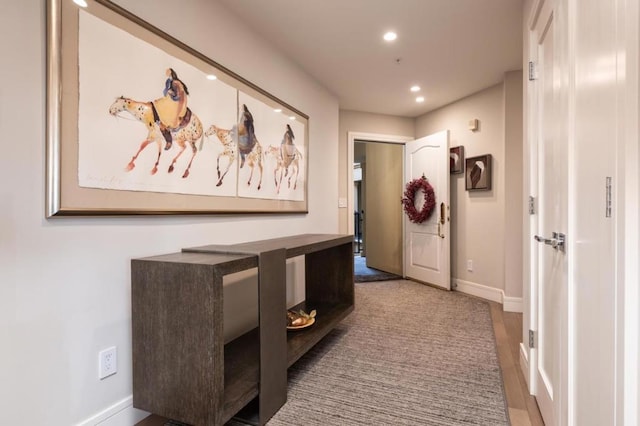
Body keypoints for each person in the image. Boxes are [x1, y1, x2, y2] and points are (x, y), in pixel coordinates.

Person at [153, 68, 189, 149]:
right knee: (156, 104)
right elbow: (165, 92)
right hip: (169, 99)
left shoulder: (176, 83)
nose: (167, 74)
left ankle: (168, 140)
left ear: (172, 73)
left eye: (169, 73)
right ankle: (158, 121)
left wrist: (172, 93)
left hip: (175, 103)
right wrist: (168, 92)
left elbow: (179, 95)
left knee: (167, 116)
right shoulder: (169, 81)